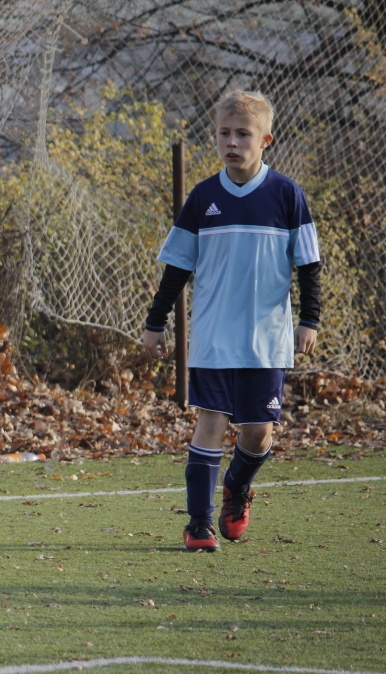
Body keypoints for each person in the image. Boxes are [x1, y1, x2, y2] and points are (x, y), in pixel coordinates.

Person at [142, 89, 321, 552]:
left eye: (243, 133)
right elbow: (177, 267)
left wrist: (310, 320)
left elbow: (308, 266)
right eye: (224, 133)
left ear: (266, 140)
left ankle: (237, 487)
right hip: (213, 339)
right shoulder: (203, 198)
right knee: (210, 424)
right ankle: (198, 525)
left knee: (259, 434)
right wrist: (155, 321)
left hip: (266, 340)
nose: (232, 141)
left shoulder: (286, 195)